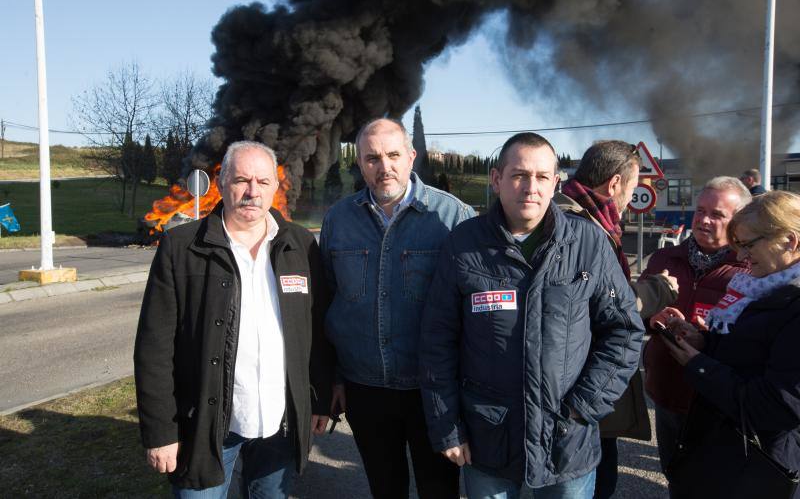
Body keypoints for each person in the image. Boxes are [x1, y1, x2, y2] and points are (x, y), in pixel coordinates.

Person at [419, 132, 644, 499]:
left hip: (567, 444)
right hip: (488, 440)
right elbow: (437, 342)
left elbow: (623, 332)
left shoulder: (587, 243)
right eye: (519, 175)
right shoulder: (465, 246)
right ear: (497, 180)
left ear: (556, 182)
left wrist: (582, 407)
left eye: (542, 177)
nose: (531, 187)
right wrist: (447, 427)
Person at [134, 141, 335, 497]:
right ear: (222, 182)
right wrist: (161, 432)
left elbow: (315, 331)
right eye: (241, 180)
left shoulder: (301, 246)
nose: (252, 191)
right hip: (207, 425)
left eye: (262, 181)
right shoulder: (182, 248)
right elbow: (154, 348)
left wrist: (318, 400)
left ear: (277, 186)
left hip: (280, 423)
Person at [319, 118, 474, 498]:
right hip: (364, 388)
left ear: (411, 157)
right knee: (385, 489)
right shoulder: (338, 221)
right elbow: (328, 302)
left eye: (392, 155)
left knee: (439, 490)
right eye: (372, 158)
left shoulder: (452, 218)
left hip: (433, 392)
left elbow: (472, 311)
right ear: (359, 162)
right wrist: (334, 378)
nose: (383, 167)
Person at [555, 140, 678, 499]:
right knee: (594, 482)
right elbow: (602, 306)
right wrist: (658, 289)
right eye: (633, 186)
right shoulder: (584, 229)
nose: (631, 197)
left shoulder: (578, 218)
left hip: (577, 383)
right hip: (582, 384)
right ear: (613, 185)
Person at [662, 190, 800, 498]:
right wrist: (705, 342)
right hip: (731, 453)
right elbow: (751, 352)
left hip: (761, 464)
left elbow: (776, 406)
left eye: (748, 245)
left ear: (790, 241)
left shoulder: (791, 301)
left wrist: (698, 365)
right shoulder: (762, 287)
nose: (740, 258)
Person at [640, 176, 751, 483]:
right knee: (674, 475)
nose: (703, 220)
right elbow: (633, 317)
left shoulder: (751, 269)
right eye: (700, 211)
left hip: (719, 404)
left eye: (717, 215)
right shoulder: (665, 258)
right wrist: (651, 317)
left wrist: (709, 339)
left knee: (716, 483)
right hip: (667, 392)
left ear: (738, 221)